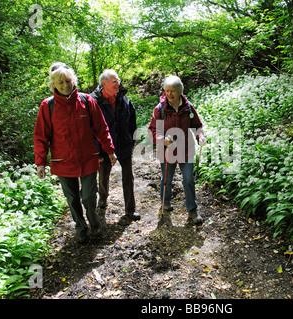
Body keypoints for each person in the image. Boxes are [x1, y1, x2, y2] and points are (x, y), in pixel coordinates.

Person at [34, 62, 117, 243]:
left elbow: (101, 128)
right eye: (61, 82)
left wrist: (109, 150)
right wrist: (40, 162)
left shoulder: (87, 101)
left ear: (74, 81)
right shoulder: (47, 106)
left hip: (88, 158)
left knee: (88, 197)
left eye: (68, 81)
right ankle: (81, 228)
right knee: (72, 199)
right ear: (53, 85)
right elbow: (41, 136)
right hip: (63, 161)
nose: (65, 85)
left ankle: (95, 226)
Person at [148, 75, 207, 225]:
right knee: (166, 180)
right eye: (167, 90)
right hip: (167, 151)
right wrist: (162, 140)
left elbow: (197, 125)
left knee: (188, 180)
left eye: (173, 91)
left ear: (180, 91)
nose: (169, 94)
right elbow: (153, 131)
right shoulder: (160, 109)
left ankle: (192, 210)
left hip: (186, 149)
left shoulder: (188, 108)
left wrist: (200, 136)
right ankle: (165, 202)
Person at [90, 69, 140, 221]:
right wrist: (97, 152)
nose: (118, 84)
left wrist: (131, 140)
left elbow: (132, 120)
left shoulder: (124, 99)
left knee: (128, 177)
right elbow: (90, 129)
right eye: (114, 81)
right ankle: (103, 198)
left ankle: (130, 209)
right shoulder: (93, 102)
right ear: (103, 83)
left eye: (118, 80)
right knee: (103, 175)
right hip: (103, 145)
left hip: (123, 143)